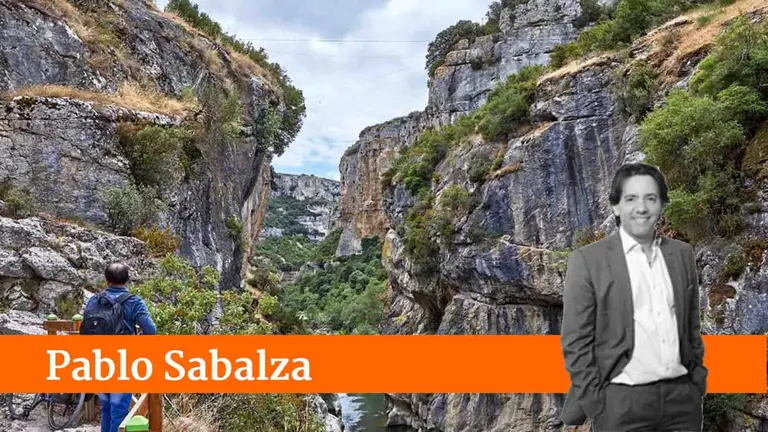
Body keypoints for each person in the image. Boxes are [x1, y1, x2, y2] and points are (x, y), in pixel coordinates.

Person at [560, 163, 708, 431]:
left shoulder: (682, 254)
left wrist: (697, 381)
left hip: (682, 402)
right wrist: (597, 403)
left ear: (661, 204)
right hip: (621, 403)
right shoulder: (588, 260)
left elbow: (691, 324)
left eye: (650, 198)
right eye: (631, 199)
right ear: (616, 207)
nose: (642, 208)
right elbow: (575, 340)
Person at [83, 262, 157, 432]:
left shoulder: (95, 300)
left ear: (106, 280)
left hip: (98, 360)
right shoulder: (134, 302)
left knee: (106, 408)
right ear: (127, 280)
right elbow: (151, 330)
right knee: (119, 410)